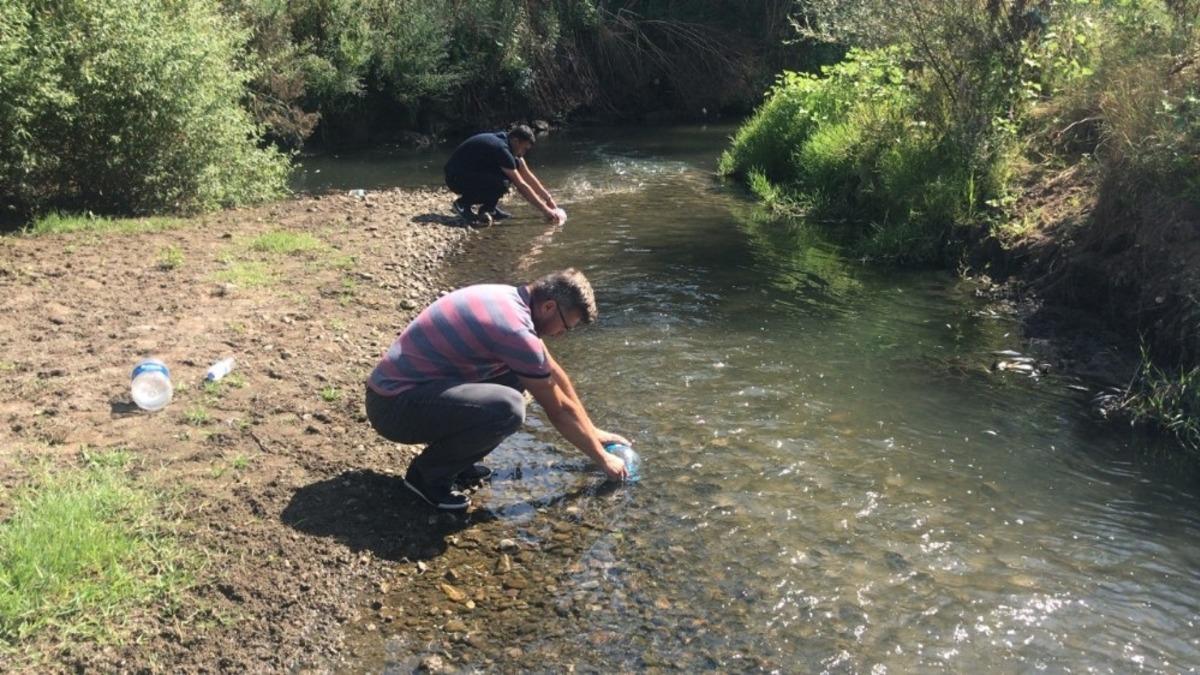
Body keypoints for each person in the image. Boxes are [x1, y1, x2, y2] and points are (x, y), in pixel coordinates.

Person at [365, 268, 630, 510]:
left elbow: (552, 372)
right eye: (566, 326)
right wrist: (602, 459)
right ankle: (426, 477)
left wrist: (592, 431)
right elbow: (558, 410)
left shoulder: (509, 300)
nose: (561, 334)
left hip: (399, 393)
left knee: (519, 378)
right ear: (549, 306)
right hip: (393, 409)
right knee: (508, 409)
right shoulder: (516, 332)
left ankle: (457, 461)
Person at [443, 124, 561, 225]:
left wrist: (548, 199)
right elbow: (522, 185)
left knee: (504, 178)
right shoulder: (502, 149)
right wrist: (545, 211)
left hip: (467, 173)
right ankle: (462, 204)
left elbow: (527, 175)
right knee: (503, 183)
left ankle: (489, 209)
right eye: (524, 148)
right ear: (516, 141)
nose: (524, 153)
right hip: (455, 178)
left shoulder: (507, 141)